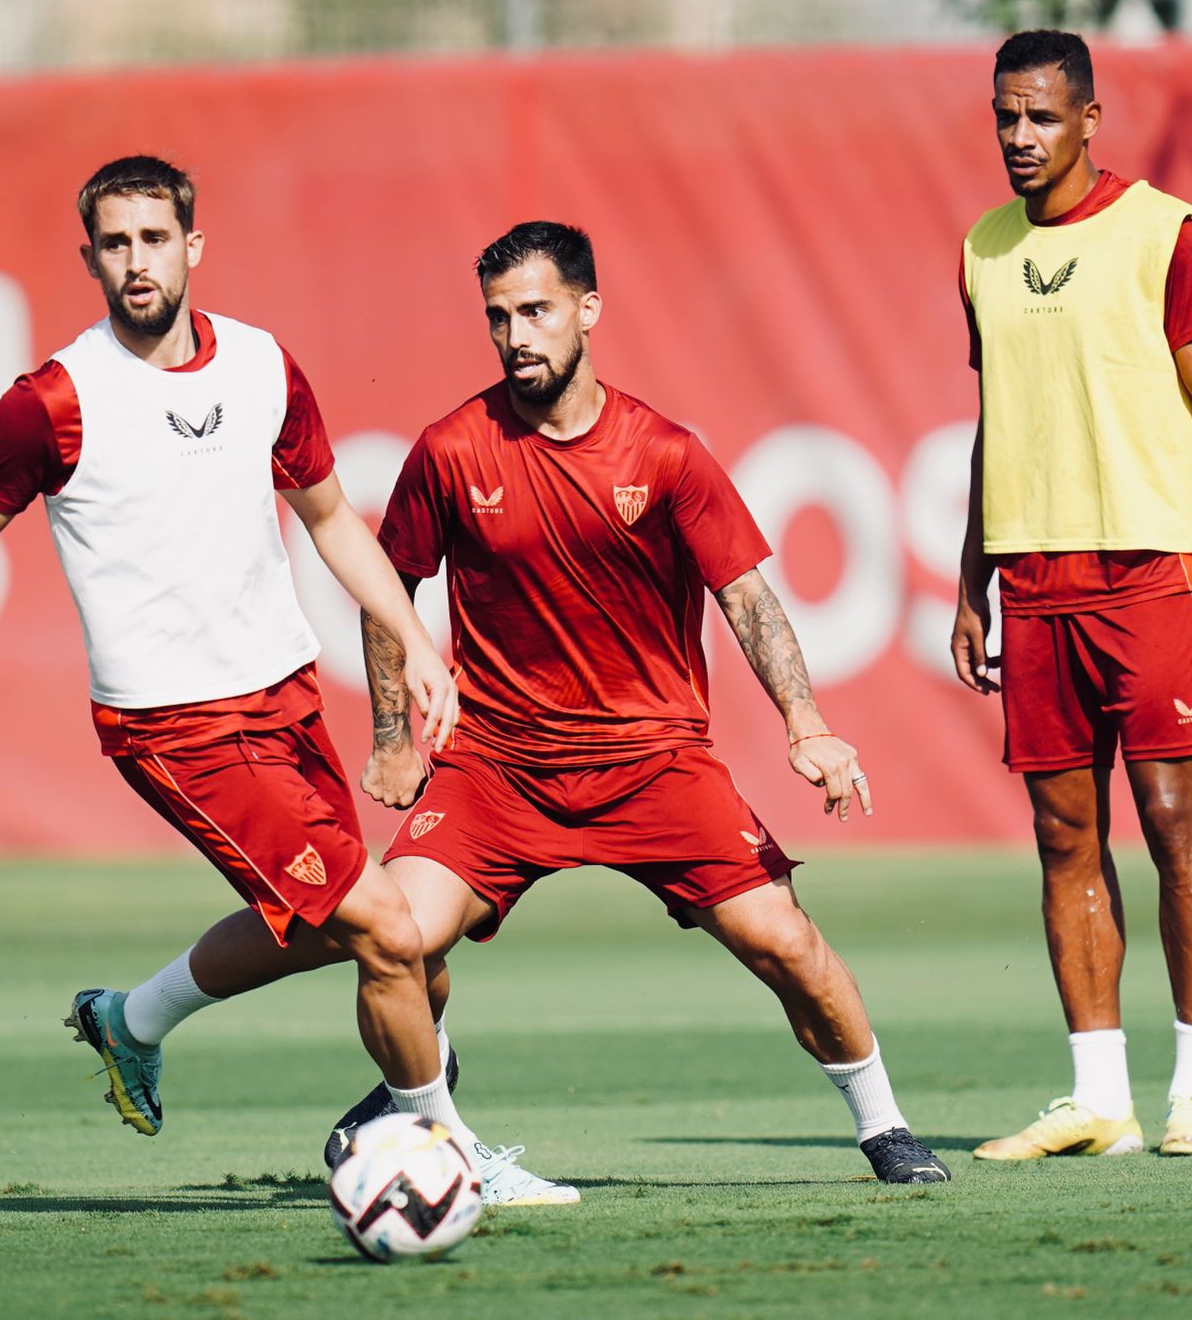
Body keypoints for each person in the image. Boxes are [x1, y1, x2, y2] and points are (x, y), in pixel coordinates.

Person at [0, 154, 520, 1195]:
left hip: (282, 694)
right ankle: (446, 1159)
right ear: (90, 258)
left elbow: (330, 518)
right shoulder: (52, 401)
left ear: (193, 246)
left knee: (405, 948)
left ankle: (131, 1018)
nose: (135, 261)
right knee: (384, 927)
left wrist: (418, 644)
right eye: (114, 243)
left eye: (154, 238)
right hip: (171, 724)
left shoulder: (261, 366)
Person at [327, 220, 950, 1186]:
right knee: (393, 936)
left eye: (535, 311)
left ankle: (885, 1128)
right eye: (498, 318)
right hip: (499, 768)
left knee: (785, 940)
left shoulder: (665, 453)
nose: (516, 335)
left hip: (654, 760)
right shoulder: (452, 449)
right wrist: (393, 739)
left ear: (588, 311)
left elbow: (748, 598)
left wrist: (807, 725)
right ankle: (430, 1106)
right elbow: (386, 585)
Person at [950, 31, 1192, 1159]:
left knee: (1172, 818)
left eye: (1040, 117)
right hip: (1032, 571)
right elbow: (998, 425)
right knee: (1058, 832)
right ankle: (1098, 1097)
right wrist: (969, 579)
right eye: (1004, 117)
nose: (1018, 138)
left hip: (1148, 566)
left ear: (1090, 118)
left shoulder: (1163, 232)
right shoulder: (982, 249)